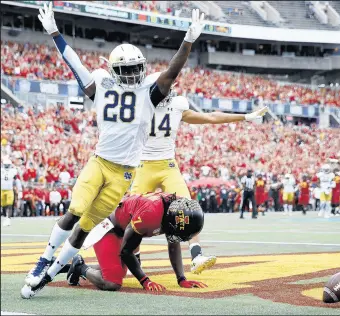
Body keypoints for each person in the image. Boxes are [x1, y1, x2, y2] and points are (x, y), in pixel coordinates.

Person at [24, 3, 206, 296]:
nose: (134, 74)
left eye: (137, 68)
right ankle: (43, 262)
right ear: (115, 71)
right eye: (128, 70)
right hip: (100, 162)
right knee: (76, 211)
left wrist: (188, 40)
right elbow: (77, 67)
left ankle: (56, 270)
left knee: (85, 225)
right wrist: (55, 33)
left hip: (124, 174)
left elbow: (172, 73)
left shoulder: (147, 92)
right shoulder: (109, 87)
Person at [130, 89, 267, 272]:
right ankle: (135, 261)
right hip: (143, 165)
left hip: (167, 165)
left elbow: (210, 117)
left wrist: (245, 116)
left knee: (189, 209)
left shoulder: (175, 106)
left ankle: (196, 256)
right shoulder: (140, 105)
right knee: (134, 215)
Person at [22, 192, 206, 297]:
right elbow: (126, 250)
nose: (180, 237)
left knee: (129, 268)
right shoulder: (152, 214)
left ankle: (72, 267)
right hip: (109, 227)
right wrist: (145, 281)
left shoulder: (175, 210)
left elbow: (172, 244)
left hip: (127, 228)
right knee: (112, 282)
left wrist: (181, 279)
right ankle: (80, 267)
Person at [1, 158, 18, 226]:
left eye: (8, 165)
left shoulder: (13, 171)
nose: (7, 166)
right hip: (2, 190)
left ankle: (8, 219)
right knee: (3, 205)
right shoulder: (2, 170)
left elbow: (15, 179)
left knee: (9, 205)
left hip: (9, 190)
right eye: (6, 165)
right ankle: (6, 218)